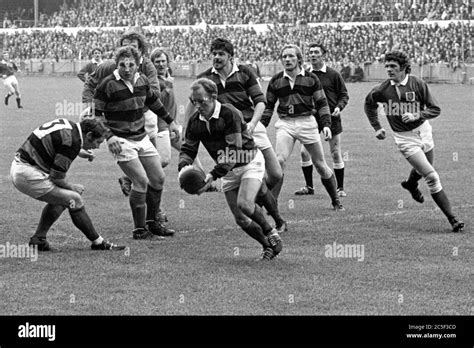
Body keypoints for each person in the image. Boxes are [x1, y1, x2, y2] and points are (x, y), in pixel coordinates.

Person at [179, 78, 283, 260]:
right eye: (193, 101)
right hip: (227, 170)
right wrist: (183, 168)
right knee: (240, 218)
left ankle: (270, 230)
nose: (197, 105)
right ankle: (267, 247)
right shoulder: (195, 121)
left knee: (245, 204)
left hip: (248, 160)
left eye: (201, 101)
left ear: (213, 97)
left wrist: (212, 175)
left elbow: (233, 151)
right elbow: (188, 149)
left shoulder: (230, 113)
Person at [190, 38, 286, 233]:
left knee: (275, 174)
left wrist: (252, 124)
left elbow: (260, 102)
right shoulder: (205, 78)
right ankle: (273, 218)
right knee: (248, 179)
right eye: (214, 53)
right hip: (229, 135)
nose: (216, 57)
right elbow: (194, 107)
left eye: (221, 54)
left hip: (252, 128)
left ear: (230, 56)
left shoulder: (244, 72)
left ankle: (259, 199)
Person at [364, 50, 464, 232]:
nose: (389, 70)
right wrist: (377, 127)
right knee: (432, 176)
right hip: (404, 139)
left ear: (403, 68)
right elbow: (369, 104)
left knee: (424, 168)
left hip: (424, 132)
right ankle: (453, 219)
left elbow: (435, 109)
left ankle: (410, 184)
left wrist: (417, 114)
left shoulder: (417, 83)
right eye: (387, 66)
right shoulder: (381, 90)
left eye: (393, 66)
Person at [94, 46, 180, 239]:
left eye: (131, 64)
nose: (127, 68)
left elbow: (154, 103)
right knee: (141, 181)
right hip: (121, 140)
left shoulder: (142, 80)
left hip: (141, 137)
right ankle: (139, 230)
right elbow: (96, 115)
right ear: (117, 64)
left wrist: (171, 122)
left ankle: (152, 222)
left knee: (158, 178)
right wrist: (109, 137)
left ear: (138, 63)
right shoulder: (107, 85)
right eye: (123, 64)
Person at [10, 117, 125, 251]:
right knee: (74, 199)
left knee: (63, 199)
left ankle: (38, 239)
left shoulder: (69, 126)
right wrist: (73, 187)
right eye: (98, 142)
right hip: (28, 174)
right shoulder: (72, 142)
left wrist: (79, 151)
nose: (97, 146)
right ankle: (98, 243)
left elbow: (58, 143)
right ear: (88, 135)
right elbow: (56, 177)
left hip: (20, 167)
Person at [261, 44, 344, 211]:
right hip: (285, 124)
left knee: (320, 164)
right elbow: (268, 106)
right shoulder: (276, 80)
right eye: (284, 57)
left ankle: (336, 200)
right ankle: (272, 206)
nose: (287, 59)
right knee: (279, 161)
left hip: (307, 122)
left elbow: (322, 103)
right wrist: (261, 126)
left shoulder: (312, 78)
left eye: (291, 56)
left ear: (299, 59)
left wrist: (326, 124)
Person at [82, 30, 163, 198]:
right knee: (143, 175)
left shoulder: (147, 66)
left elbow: (155, 92)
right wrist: (91, 106)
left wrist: (135, 97)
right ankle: (154, 214)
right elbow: (90, 84)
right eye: (124, 46)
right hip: (118, 119)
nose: (128, 49)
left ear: (140, 50)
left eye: (132, 46)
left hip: (144, 117)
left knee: (161, 162)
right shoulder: (108, 66)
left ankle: (129, 179)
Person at [295, 43, 349, 197]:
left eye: (316, 52)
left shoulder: (333, 74)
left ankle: (340, 188)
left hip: (332, 118)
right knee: (304, 153)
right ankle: (309, 187)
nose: (312, 55)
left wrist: (339, 107)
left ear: (323, 55)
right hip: (311, 118)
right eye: (310, 52)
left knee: (335, 153)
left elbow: (344, 95)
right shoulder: (304, 75)